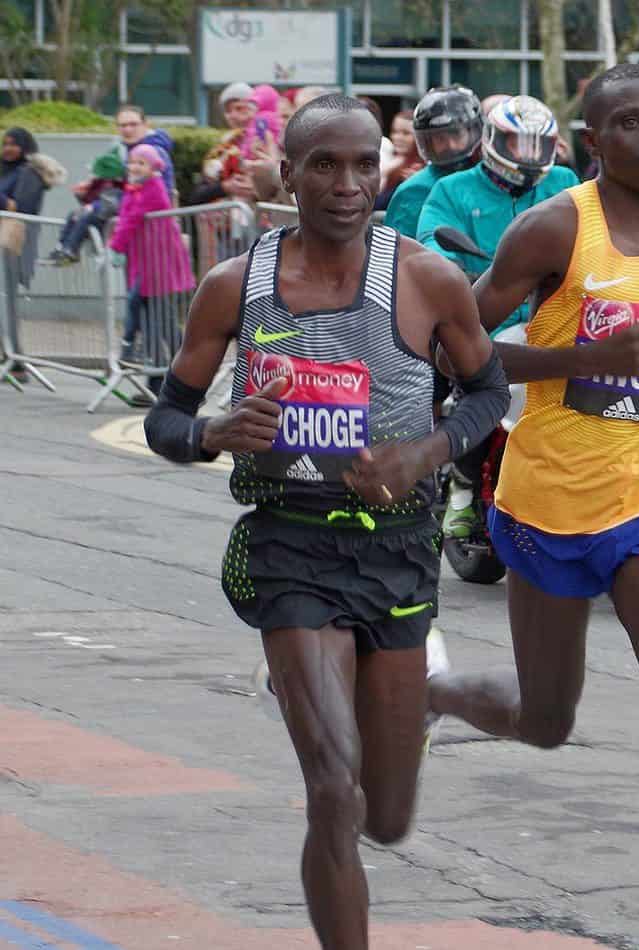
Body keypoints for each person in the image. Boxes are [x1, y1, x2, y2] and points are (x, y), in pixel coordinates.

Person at [142, 93, 512, 950]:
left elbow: (488, 391)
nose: (347, 185)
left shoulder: (425, 276)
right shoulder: (233, 288)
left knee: (385, 810)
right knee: (333, 787)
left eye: (363, 164)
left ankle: (418, 701)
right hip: (289, 544)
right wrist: (208, 434)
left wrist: (423, 454)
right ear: (288, 175)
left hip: (399, 549)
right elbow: (167, 416)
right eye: (324, 165)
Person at [425, 63, 639, 950]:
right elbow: (463, 353)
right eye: (633, 125)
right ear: (594, 145)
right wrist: (581, 363)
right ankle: (434, 694)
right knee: (545, 721)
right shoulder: (554, 228)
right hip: (550, 503)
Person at [417, 94, 578, 538]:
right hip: (481, 311)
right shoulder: (451, 189)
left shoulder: (563, 180)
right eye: (516, 143)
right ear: (492, 140)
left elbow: (593, 230)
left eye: (536, 145)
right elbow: (430, 239)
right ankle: (465, 487)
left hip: (554, 314)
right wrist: (454, 268)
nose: (527, 156)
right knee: (481, 387)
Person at [110, 144, 194, 396]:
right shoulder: (134, 187)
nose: (134, 167)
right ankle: (161, 383)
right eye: (132, 162)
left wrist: (115, 246)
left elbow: (131, 219)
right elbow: (126, 216)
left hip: (159, 264)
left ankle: (184, 377)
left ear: (154, 167)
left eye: (141, 163)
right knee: (156, 321)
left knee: (157, 319)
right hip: (146, 262)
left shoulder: (153, 188)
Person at [0, 127, 66, 383]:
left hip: (13, 245)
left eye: (14, 144)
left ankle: (17, 364)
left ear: (26, 146)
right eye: (5, 143)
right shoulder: (6, 171)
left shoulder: (30, 173)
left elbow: (21, 208)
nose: (8, 149)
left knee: (8, 304)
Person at [383, 84, 484, 239]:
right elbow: (397, 252)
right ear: (427, 142)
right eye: (440, 138)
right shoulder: (414, 190)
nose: (450, 144)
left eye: (456, 134)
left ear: (473, 131)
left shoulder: (490, 180)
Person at [49, 146, 126, 265]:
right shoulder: (98, 182)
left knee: (85, 218)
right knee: (73, 215)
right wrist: (81, 195)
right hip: (97, 212)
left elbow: (108, 203)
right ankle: (61, 246)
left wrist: (92, 207)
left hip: (104, 217)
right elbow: (91, 199)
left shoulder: (117, 186)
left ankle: (71, 249)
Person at [113, 105, 176, 200]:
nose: (128, 129)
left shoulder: (153, 152)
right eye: (123, 125)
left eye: (133, 124)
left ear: (145, 125)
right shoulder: (123, 150)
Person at [375, 109, 423, 211]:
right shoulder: (389, 159)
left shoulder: (418, 169)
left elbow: (380, 204)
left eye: (406, 133)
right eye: (394, 131)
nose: (398, 137)